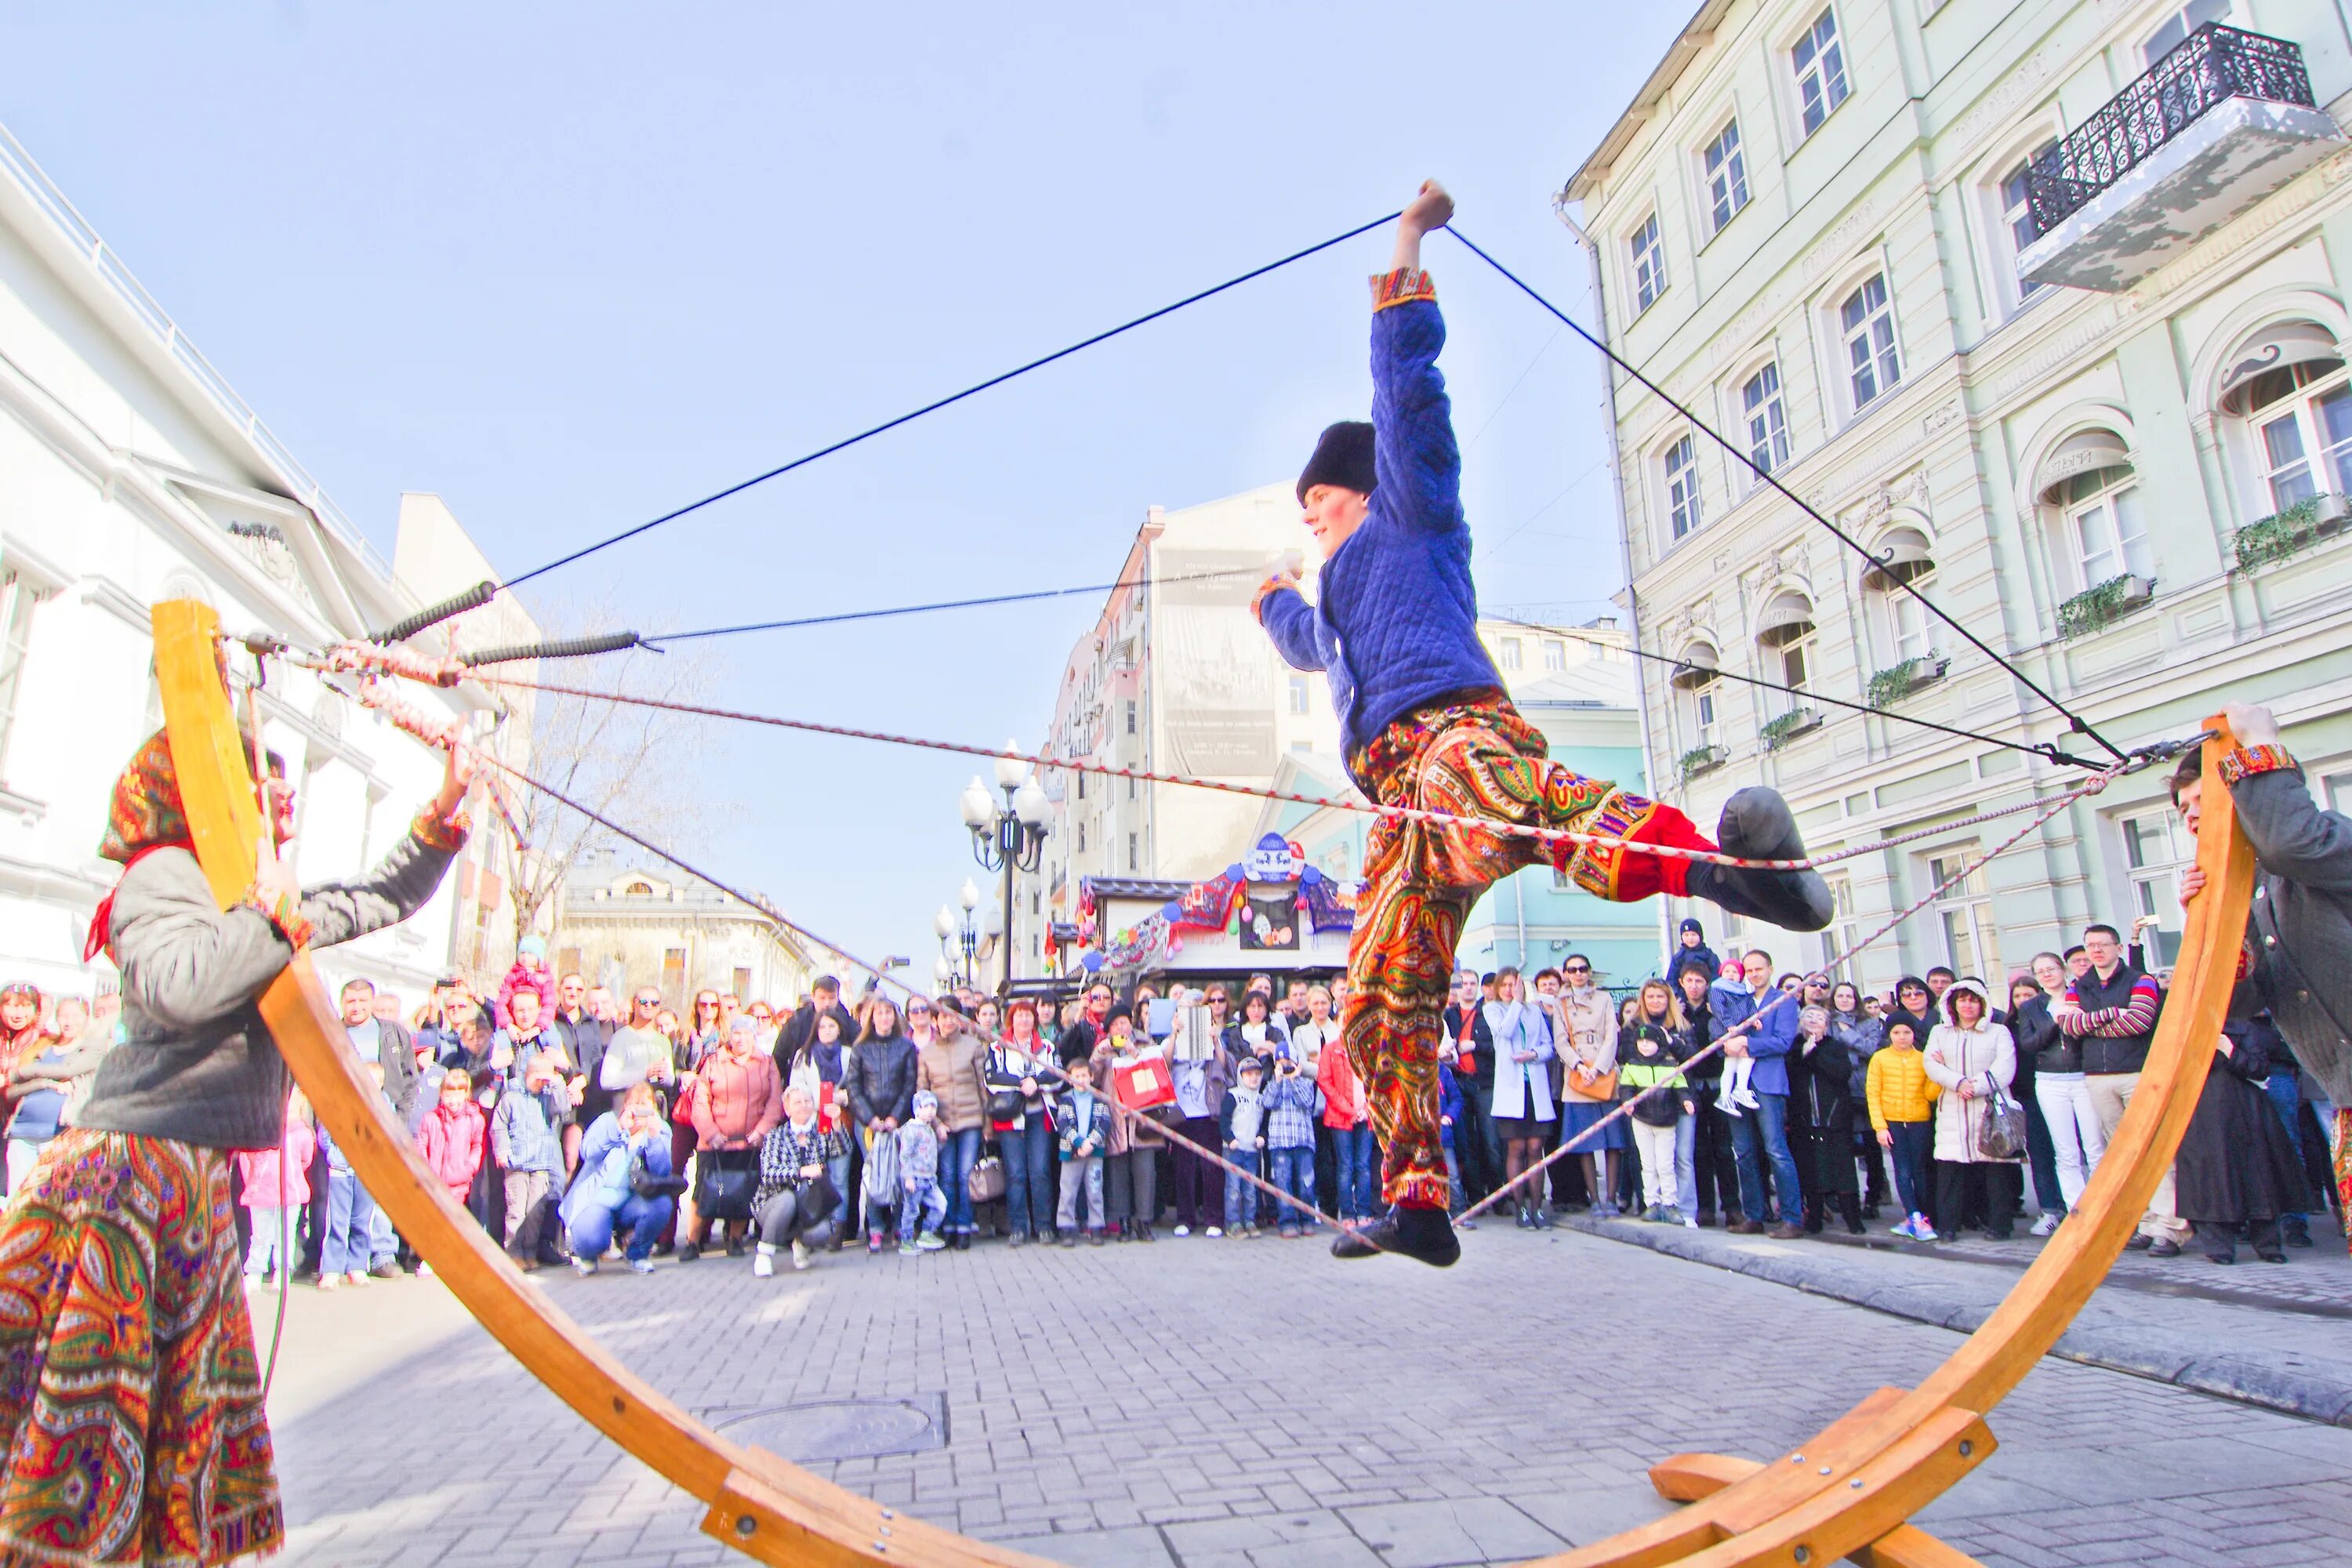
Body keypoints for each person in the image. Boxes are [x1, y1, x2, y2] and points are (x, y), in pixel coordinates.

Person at [1253, 183, 1831, 1265]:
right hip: (1401, 805)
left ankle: (1728, 876)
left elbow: (1408, 394)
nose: (1312, 521)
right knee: (1378, 989)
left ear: (1357, 490)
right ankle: (1418, 1200)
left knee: (1498, 795)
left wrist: (1408, 248)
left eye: (1318, 503)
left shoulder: (1414, 517)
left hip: (1460, 741)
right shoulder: (1334, 600)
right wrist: (1269, 605)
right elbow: (1307, 642)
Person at [2173, 702, 2352, 1254]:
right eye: (2183, 809)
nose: (2191, 817)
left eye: (2202, 797)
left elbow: (2291, 841)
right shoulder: (2256, 893)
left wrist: (2261, 743)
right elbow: (2246, 997)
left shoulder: (2329, 842)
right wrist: (2207, 924)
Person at [2052, 922, 2188, 1254]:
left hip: (2137, 1073)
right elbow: (2068, 1026)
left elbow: (2140, 1021)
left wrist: (2090, 1022)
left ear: (2117, 948)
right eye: (2090, 945)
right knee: (2122, 1153)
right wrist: (2112, 1013)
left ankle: (2169, 1227)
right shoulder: (2079, 986)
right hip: (2096, 1076)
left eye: (2102, 944)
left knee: (2155, 1148)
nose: (2096, 950)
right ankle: (2142, 1221)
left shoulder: (2141, 980)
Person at [2175, 1018, 2312, 1264]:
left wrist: (2229, 1050)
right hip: (2201, 1111)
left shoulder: (2244, 1029)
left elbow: (2259, 1068)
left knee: (2258, 1175)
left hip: (2246, 1109)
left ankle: (2268, 1244)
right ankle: (2219, 1246)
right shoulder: (2181, 1027)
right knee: (2211, 1176)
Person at [1713, 950, 1805, 1238]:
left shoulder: (1783, 1000)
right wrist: (1725, 1045)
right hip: (1737, 1084)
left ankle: (1791, 1218)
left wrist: (1748, 1046)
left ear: (1770, 968)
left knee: (1776, 1150)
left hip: (1767, 1081)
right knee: (1743, 1151)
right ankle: (1754, 1214)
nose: (1753, 974)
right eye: (1749, 970)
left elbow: (1783, 1041)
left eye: (1758, 969)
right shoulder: (1738, 997)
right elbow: (1720, 1029)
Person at [1922, 978, 2021, 1241]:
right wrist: (1957, 1082)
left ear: (1983, 1004)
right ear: (1953, 1003)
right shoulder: (1940, 1033)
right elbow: (1931, 1064)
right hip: (1953, 1107)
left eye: (1973, 1000)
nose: (1968, 1005)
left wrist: (1975, 1086)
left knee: (1995, 1169)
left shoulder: (1999, 1032)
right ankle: (1948, 1226)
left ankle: (2000, 1225)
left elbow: (2004, 1068)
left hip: (1989, 1108)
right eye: (1963, 1000)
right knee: (1950, 1169)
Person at [683, 1013, 785, 1261]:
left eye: (746, 1033)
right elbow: (700, 1103)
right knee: (703, 1192)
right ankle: (692, 1242)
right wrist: (711, 1133)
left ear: (754, 1036)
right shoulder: (713, 1062)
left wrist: (761, 1132)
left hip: (750, 1141)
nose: (741, 1039)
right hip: (714, 1142)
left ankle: (735, 1238)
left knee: (743, 1190)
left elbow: (774, 1102)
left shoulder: (767, 1063)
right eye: (737, 1033)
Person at [561, 1082, 677, 1276]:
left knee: (662, 1204)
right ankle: (588, 1256)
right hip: (597, 1198)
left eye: (645, 1106)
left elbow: (662, 1170)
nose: (639, 1113)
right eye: (635, 1105)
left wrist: (654, 1137)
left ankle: (637, 1255)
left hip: (631, 1200)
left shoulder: (660, 1128)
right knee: (591, 1238)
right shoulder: (608, 1121)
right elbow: (587, 1151)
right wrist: (619, 1130)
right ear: (625, 1106)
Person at [1478, 968, 1554, 1229]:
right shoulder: (1493, 1010)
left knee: (1535, 1148)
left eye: (1515, 985)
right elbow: (1505, 1031)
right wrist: (1517, 1004)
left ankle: (1537, 1207)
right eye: (1506, 985)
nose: (1511, 989)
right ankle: (1519, 1207)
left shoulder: (1535, 1012)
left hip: (1535, 1087)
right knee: (1517, 1148)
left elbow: (1548, 1046)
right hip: (1511, 1090)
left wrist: (1533, 1054)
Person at [490, 1048, 574, 1271]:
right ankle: (514, 1252)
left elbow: (563, 1108)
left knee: (535, 1212)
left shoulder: (548, 1098)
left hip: (541, 1164)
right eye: (539, 1079)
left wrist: (555, 1082)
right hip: (517, 1163)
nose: (541, 1084)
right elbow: (499, 1126)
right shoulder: (511, 1097)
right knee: (516, 1211)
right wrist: (502, 1150)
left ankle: (530, 1251)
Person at [1553, 956, 1624, 1218]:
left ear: (1590, 972)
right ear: (1565, 974)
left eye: (1583, 969)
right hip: (1577, 1074)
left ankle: (1612, 1198)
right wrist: (1580, 1066)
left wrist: (1599, 1067)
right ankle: (1594, 1199)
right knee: (1584, 1140)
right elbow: (1560, 1041)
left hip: (1603, 1071)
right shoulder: (1560, 1003)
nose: (1578, 974)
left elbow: (1611, 1035)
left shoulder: (1604, 999)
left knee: (1613, 1140)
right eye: (1572, 970)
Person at [916, 1004, 991, 1250]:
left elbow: (983, 1087)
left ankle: (964, 1228)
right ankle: (948, 1227)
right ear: (936, 1020)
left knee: (964, 1175)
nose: (948, 1022)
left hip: (971, 1120)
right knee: (947, 1176)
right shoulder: (926, 1053)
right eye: (943, 1017)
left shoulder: (972, 1047)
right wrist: (936, 1123)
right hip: (943, 1123)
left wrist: (987, 1122)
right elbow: (922, 1093)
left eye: (953, 1017)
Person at [986, 996, 1058, 1247]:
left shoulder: (1047, 1047)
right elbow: (992, 1078)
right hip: (1011, 1117)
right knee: (1015, 1174)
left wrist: (1037, 1082)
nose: (1024, 1019)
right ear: (1011, 1019)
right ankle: (1017, 1227)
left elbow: (1058, 1076)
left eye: (1028, 1015)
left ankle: (1044, 1226)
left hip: (1039, 1115)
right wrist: (1020, 1084)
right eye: (1019, 1015)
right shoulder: (998, 1047)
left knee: (1040, 1172)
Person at [848, 996, 917, 1252]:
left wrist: (895, 1117)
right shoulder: (861, 1048)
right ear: (872, 1017)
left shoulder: (905, 1047)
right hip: (869, 1125)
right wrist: (871, 1118)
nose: (885, 1018)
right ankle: (875, 1229)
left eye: (889, 1013)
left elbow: (910, 1084)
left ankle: (900, 1225)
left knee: (899, 1175)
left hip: (898, 1122)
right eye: (880, 1013)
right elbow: (854, 1088)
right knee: (874, 1177)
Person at [753, 1084, 846, 1274]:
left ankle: (800, 1245)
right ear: (787, 1109)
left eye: (807, 1101)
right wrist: (802, 1171)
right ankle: (764, 1254)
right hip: (774, 1203)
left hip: (809, 1202)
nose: (803, 1106)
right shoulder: (775, 1136)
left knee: (823, 1230)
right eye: (797, 1102)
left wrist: (837, 1123)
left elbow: (842, 1150)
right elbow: (769, 1174)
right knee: (787, 1200)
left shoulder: (821, 1131)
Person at [1788, 1001, 1862, 1235]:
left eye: (1819, 1019)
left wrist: (1814, 1053)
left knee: (1844, 1172)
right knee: (1811, 1172)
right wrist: (1804, 1053)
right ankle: (1815, 1218)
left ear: (1827, 1025)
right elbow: (1791, 1075)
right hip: (1804, 1120)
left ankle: (1853, 1219)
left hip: (1835, 1119)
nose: (1813, 1022)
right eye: (1809, 1018)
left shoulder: (1835, 1047)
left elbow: (1842, 1073)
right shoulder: (1794, 1048)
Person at [1091, 1011, 1167, 1242]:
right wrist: (1097, 1055)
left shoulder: (1146, 1042)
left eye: (1123, 1022)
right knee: (1118, 1173)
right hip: (1115, 1118)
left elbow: (1158, 1072)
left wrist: (1137, 1055)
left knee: (1145, 1171)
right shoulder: (1103, 1049)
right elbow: (1091, 1080)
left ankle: (1144, 1222)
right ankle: (1123, 1223)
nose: (1119, 1028)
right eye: (1114, 1025)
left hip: (1142, 1117)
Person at [1618, 980, 1689, 1225]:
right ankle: (1650, 1202)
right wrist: (1628, 1101)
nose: (1656, 1001)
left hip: (1669, 1112)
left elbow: (1687, 1065)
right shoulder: (1632, 1028)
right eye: (1651, 997)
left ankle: (1673, 1204)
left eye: (1661, 996)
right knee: (1646, 1162)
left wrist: (1671, 1044)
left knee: (1671, 1161)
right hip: (1642, 1114)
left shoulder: (1678, 1037)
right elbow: (1626, 1076)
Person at [1165, 989, 1233, 1238]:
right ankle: (1185, 1217)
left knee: (1211, 1167)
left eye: (1193, 1008)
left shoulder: (1211, 1033)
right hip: (1181, 1112)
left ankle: (1215, 1218)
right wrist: (1174, 1034)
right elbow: (1165, 1063)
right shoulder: (1170, 1037)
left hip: (1208, 1111)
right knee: (1183, 1167)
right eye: (1183, 1007)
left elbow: (1226, 1067)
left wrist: (1215, 1040)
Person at [2005, 971, 2068, 1236]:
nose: (2022, 1000)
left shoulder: (2050, 1022)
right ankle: (2050, 1209)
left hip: (2057, 1090)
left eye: (2028, 995)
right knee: (2040, 1156)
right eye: (2017, 996)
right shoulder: (2009, 1028)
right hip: (2028, 1097)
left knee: (2067, 1153)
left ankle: (2071, 1204)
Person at [1674, 964, 1737, 1226]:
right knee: (1698, 1149)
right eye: (1689, 980)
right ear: (1682, 982)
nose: (1694, 986)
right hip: (1692, 1085)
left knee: (1723, 1148)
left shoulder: (1718, 1007)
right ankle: (1705, 1206)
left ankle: (1732, 1206)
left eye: (1699, 981)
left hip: (1718, 1081)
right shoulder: (1678, 1011)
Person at [236, 1090, 315, 1290]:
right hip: (261, 1193)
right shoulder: (260, 1131)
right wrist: (253, 1181)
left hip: (290, 1193)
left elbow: (306, 1159)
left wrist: (294, 1177)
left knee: (286, 1233)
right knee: (260, 1234)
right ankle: (255, 1271)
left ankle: (283, 1271)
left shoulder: (302, 1134)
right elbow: (247, 1159)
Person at [1867, 1019, 1939, 1240]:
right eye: (1896, 1032)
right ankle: (1913, 1215)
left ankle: (1922, 1217)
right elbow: (1873, 1094)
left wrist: (1938, 1072)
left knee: (1920, 1170)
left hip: (1920, 1121)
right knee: (1902, 1170)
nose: (1902, 1037)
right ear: (1890, 1035)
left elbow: (1930, 1094)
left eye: (1906, 1032)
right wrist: (1880, 1127)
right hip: (1893, 1122)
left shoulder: (1922, 1058)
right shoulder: (1880, 1058)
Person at [1319, 979, 1380, 1225]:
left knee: (1363, 1165)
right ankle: (1348, 1214)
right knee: (1345, 1167)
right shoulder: (1331, 1049)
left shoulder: (1368, 1049)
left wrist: (1365, 1109)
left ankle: (1364, 1212)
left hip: (1365, 1118)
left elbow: (1377, 1082)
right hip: (1340, 1118)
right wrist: (1349, 1110)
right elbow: (1326, 1083)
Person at [1827, 982, 1887, 1217]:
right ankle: (1845, 1198)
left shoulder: (1869, 1023)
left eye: (1849, 996)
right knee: (1842, 1148)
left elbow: (1870, 1049)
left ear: (1856, 999)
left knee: (1872, 1148)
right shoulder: (1828, 1022)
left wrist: (1847, 1032)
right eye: (1840, 996)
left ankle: (1873, 1198)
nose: (1844, 1000)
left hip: (1863, 1089)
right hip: (1838, 1089)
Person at [417, 1066, 488, 1219]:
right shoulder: (430, 1118)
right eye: (448, 1095)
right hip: (433, 1183)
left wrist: (469, 1168)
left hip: (459, 1184)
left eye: (457, 1095)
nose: (452, 1101)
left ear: (466, 1094)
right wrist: (426, 1169)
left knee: (453, 1223)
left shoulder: (474, 1119)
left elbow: (477, 1146)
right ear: (441, 1094)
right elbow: (421, 1146)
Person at [1263, 1051, 1319, 1236]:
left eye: (1289, 1062)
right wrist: (1279, 1081)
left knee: (1306, 1185)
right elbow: (1268, 1103)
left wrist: (1294, 1079)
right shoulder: (1273, 1083)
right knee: (1283, 1184)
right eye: (1281, 1063)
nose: (1286, 1066)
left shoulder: (1305, 1082)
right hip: (1280, 1142)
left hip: (1303, 1140)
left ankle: (1307, 1219)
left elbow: (1307, 1102)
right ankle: (1287, 1222)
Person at [1055, 1058, 1111, 1243]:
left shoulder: (1100, 1098)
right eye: (1076, 1076)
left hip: (1094, 1152)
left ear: (1092, 1077)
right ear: (1070, 1079)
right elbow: (1063, 1124)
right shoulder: (1065, 1099)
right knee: (1068, 1190)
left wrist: (1090, 1143)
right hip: (1071, 1153)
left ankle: (1096, 1227)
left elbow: (1105, 1122)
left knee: (1095, 1190)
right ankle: (1066, 1227)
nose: (1081, 1080)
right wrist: (1079, 1142)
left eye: (1084, 1076)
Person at [1219, 1055, 1270, 1239]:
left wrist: (1262, 1136)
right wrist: (1230, 1138)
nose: (1254, 1078)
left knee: (1250, 1189)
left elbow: (1264, 1123)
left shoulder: (1262, 1098)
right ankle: (1233, 1223)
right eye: (1249, 1074)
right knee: (1233, 1189)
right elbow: (1224, 1120)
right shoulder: (1233, 1095)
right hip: (1233, 1150)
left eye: (1257, 1074)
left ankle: (1249, 1220)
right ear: (1241, 1075)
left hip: (1252, 1151)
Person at [895, 1091, 949, 1255]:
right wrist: (908, 1177)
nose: (931, 1111)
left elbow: (931, 1152)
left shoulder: (929, 1129)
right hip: (916, 1178)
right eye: (927, 1107)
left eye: (934, 1107)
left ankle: (927, 1231)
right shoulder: (911, 1130)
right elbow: (905, 1155)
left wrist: (942, 1142)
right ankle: (906, 1240)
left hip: (930, 1178)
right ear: (918, 1108)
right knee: (911, 1209)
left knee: (941, 1204)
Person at [495, 935, 553, 1029]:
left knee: (552, 1039)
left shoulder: (545, 978)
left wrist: (539, 1027)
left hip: (540, 1024)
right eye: (522, 953)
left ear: (538, 958)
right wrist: (508, 1024)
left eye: (530, 953)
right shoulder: (513, 976)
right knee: (501, 1039)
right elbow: (501, 1003)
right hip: (515, 1022)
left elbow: (549, 1004)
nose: (525, 957)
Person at [1668, 917, 1721, 991]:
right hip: (1684, 998)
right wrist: (1678, 997)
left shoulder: (1709, 955)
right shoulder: (1678, 958)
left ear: (1700, 936)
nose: (1690, 938)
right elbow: (1671, 981)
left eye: (1693, 935)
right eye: (1686, 935)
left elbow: (1717, 977)